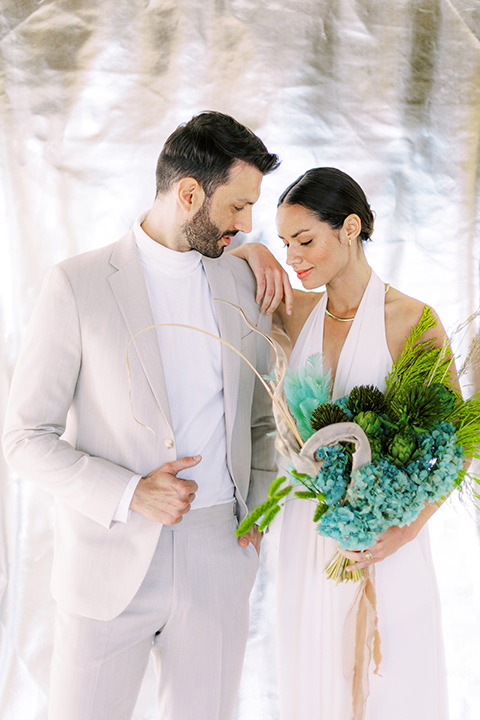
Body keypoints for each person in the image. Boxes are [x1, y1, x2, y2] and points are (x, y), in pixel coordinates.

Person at [2, 111, 292, 720]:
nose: (245, 226)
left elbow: (259, 415)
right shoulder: (75, 285)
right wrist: (132, 492)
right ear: (190, 194)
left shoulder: (244, 281)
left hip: (219, 553)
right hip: (107, 559)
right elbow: (25, 436)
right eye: (238, 208)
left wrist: (258, 506)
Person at [236, 166, 450, 719]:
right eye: (284, 244)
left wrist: (403, 533)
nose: (293, 258)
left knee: (392, 683)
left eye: (304, 240)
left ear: (350, 227)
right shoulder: (295, 307)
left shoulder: (413, 320)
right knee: (316, 681)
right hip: (309, 538)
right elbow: (224, 259)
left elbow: (453, 447)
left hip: (387, 540)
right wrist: (255, 254)